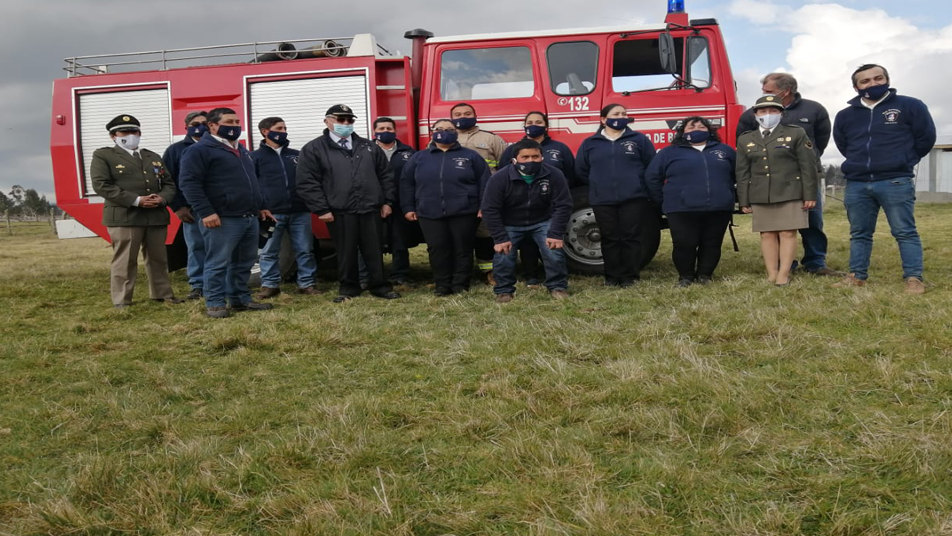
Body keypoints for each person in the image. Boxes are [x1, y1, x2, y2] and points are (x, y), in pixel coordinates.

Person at [832, 64, 936, 294]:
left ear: (887, 79)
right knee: (859, 233)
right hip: (857, 183)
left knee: (904, 231)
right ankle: (857, 275)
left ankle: (913, 278)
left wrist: (904, 160)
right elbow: (844, 144)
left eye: (878, 78)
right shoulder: (845, 115)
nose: (873, 84)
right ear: (856, 86)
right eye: (865, 81)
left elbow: (925, 138)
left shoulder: (910, 106)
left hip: (895, 180)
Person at [296, 104, 400, 303]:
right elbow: (307, 182)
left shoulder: (368, 146)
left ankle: (380, 286)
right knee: (345, 251)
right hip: (339, 210)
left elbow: (386, 176)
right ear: (327, 121)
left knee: (374, 249)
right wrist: (321, 208)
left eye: (349, 120)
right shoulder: (314, 148)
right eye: (340, 119)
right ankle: (348, 287)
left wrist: (387, 201)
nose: (345, 123)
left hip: (371, 208)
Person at [179, 107, 275, 318]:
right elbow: (189, 183)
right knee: (217, 262)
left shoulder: (241, 150)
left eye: (237, 122)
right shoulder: (199, 150)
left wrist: (262, 206)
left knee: (244, 262)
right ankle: (214, 303)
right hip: (222, 218)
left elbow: (253, 182)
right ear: (212, 125)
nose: (234, 126)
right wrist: (206, 212)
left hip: (248, 216)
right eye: (229, 122)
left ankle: (240, 299)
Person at [737, 73, 836, 276]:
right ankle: (784, 265)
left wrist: (807, 162)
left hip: (803, 177)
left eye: (769, 92)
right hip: (768, 181)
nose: (764, 95)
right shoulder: (750, 115)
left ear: (786, 91)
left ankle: (816, 262)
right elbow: (745, 147)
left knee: (813, 221)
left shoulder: (814, 109)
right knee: (775, 227)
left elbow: (821, 139)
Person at [90, 114, 183, 308]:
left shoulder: (152, 156)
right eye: (125, 132)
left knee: (158, 258)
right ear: (113, 136)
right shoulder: (103, 155)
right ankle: (122, 300)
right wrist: (136, 200)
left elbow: (168, 183)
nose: (131, 135)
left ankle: (162, 293)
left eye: (134, 131)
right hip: (126, 216)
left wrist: (163, 198)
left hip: (155, 215)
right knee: (125, 260)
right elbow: (102, 185)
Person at [400, 119, 489, 295]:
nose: (444, 132)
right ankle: (442, 284)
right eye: (439, 129)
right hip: (428, 211)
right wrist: (408, 207)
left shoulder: (470, 156)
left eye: (449, 129)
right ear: (432, 132)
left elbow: (485, 182)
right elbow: (406, 184)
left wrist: (483, 206)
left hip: (464, 211)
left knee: (462, 248)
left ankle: (460, 284)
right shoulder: (419, 158)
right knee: (437, 248)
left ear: (456, 132)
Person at [736, 95, 818, 286]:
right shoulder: (746, 139)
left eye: (773, 111)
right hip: (760, 193)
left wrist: (810, 194)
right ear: (755, 114)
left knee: (788, 233)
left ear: (781, 114)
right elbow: (742, 172)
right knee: (766, 234)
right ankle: (771, 273)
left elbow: (807, 166)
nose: (768, 115)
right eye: (763, 111)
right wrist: (743, 200)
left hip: (790, 191)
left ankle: (784, 273)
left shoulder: (796, 133)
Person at [646, 116, 736, 287]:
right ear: (682, 131)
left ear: (710, 131)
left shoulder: (725, 151)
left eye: (702, 127)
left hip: (718, 207)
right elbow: (652, 177)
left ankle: (705, 275)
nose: (697, 129)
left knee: (712, 243)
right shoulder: (669, 152)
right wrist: (661, 201)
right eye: (691, 127)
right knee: (684, 243)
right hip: (681, 208)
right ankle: (685, 276)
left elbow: (736, 174)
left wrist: (726, 192)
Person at [575, 103, 657, 287]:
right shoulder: (590, 143)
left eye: (624, 114)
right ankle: (611, 277)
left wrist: (637, 185)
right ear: (603, 120)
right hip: (602, 199)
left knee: (631, 237)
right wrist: (599, 184)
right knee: (609, 238)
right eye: (616, 114)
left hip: (634, 198)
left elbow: (651, 166)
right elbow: (581, 170)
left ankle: (630, 276)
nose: (621, 117)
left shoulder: (639, 140)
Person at [482, 139, 573, 303]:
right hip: (510, 224)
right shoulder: (499, 178)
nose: (531, 161)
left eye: (535, 156)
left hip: (542, 221)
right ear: (515, 159)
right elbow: (490, 209)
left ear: (542, 158)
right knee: (503, 256)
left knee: (554, 253)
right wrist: (500, 237)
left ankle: (558, 287)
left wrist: (555, 233)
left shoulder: (554, 175)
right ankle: (504, 291)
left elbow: (564, 205)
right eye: (525, 157)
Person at [499, 111, 576, 287]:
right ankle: (530, 275)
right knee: (527, 243)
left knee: (550, 242)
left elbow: (570, 173)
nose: (534, 124)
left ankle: (556, 280)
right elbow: (504, 173)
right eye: (530, 121)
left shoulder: (560, 147)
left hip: (549, 206)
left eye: (538, 121)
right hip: (519, 207)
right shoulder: (513, 149)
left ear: (546, 125)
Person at [251, 117, 320, 298]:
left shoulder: (297, 156)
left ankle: (307, 284)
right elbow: (251, 185)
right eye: (279, 128)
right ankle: (270, 285)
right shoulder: (254, 158)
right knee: (269, 251)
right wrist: (260, 206)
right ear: (265, 131)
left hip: (300, 211)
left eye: (284, 128)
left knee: (305, 249)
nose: (283, 131)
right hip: (271, 213)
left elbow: (310, 180)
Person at [451, 102, 508, 285]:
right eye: (458, 114)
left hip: (486, 195)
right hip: (455, 197)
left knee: (486, 234)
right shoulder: (444, 138)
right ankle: (457, 273)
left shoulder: (491, 139)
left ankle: (489, 272)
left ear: (475, 116)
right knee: (457, 236)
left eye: (467, 113)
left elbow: (505, 167)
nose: (462, 116)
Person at [162, 111, 208, 299]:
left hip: (219, 208)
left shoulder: (219, 146)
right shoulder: (175, 150)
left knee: (221, 247)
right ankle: (198, 285)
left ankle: (221, 282)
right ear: (186, 127)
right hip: (191, 210)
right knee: (196, 246)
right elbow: (168, 180)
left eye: (204, 123)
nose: (200, 126)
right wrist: (178, 207)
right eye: (195, 123)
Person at [372, 116, 416, 286]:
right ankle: (375, 276)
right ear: (374, 131)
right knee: (373, 242)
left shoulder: (408, 152)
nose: (385, 132)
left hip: (399, 204)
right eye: (381, 129)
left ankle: (401, 275)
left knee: (399, 242)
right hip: (374, 204)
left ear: (395, 131)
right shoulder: (366, 151)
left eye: (389, 129)